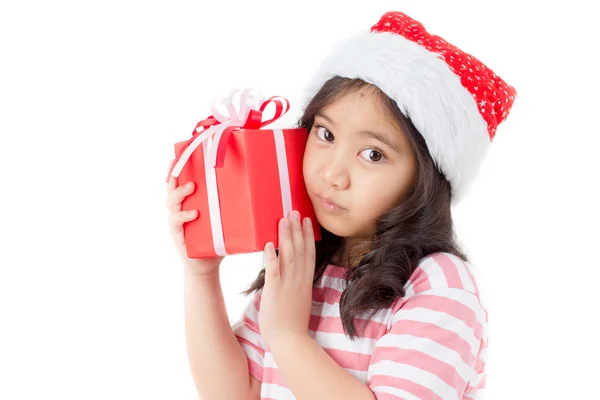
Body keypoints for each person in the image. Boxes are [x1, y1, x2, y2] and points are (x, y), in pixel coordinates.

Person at [165, 10, 516, 400]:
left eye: (373, 154)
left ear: (425, 181)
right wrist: (201, 278)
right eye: (326, 133)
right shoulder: (307, 265)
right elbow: (233, 394)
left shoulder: (439, 287)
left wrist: (287, 335)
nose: (333, 174)